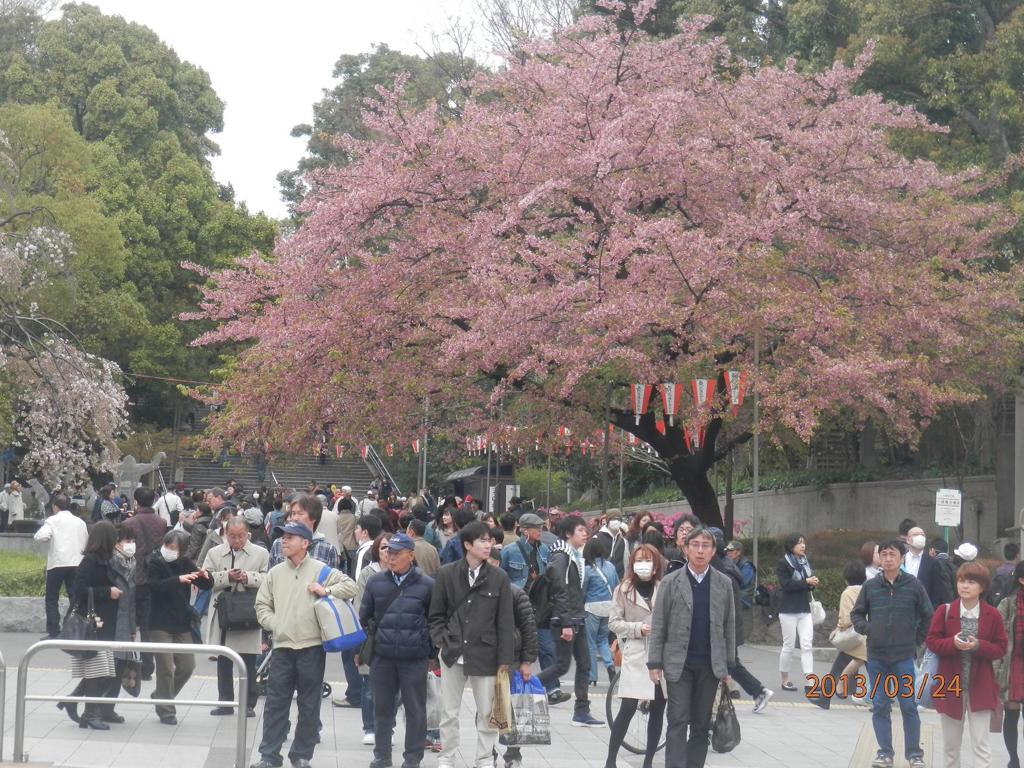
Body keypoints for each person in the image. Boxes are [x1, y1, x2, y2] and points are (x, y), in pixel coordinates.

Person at [251, 519, 357, 768]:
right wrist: (276, 624)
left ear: (305, 543)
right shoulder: (275, 572)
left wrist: (326, 591)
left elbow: (350, 586)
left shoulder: (321, 569)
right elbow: (261, 605)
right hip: (283, 648)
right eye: (283, 537)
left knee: (309, 705)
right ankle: (269, 756)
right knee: (276, 703)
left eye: (290, 537)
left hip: (312, 648)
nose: (283, 541)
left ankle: (301, 755)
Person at [429, 521, 516, 768]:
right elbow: (436, 614)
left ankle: (484, 758)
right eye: (482, 540)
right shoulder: (446, 573)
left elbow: (505, 622)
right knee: (448, 711)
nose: (488, 545)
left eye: (490, 540)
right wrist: (440, 641)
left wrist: (505, 660)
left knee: (488, 712)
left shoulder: (499, 577)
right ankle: (446, 756)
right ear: (467, 544)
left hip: (486, 653)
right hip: (452, 651)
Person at [647, 526, 736, 768]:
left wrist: (729, 664)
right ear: (685, 549)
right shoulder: (670, 582)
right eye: (694, 545)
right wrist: (654, 662)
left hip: (709, 664)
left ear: (713, 550)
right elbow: (659, 624)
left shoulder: (723, 583)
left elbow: (729, 626)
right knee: (677, 719)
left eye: (705, 546)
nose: (700, 551)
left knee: (701, 722)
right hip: (678, 664)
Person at [851, 539, 933, 768]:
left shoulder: (914, 585)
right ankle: (885, 753)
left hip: (904, 657)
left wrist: (916, 640)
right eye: (884, 554)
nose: (888, 558)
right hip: (877, 657)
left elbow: (928, 615)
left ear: (902, 557)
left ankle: (914, 754)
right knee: (880, 705)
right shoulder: (871, 586)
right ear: (879, 557)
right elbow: (856, 615)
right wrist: (868, 629)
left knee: (908, 705)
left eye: (892, 554)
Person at [361, 532, 435, 768]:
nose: (390, 557)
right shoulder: (376, 582)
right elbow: (365, 617)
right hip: (382, 657)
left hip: (414, 658)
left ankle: (412, 758)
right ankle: (381, 755)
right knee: (382, 709)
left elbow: (435, 621)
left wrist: (429, 652)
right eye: (388, 552)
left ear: (411, 556)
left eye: (397, 553)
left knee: (415, 710)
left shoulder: (427, 585)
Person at [926, 561, 1007, 768]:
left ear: (982, 587)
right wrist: (952, 643)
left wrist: (978, 645)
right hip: (950, 686)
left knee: (981, 744)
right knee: (951, 747)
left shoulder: (993, 615)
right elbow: (932, 642)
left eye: (971, 581)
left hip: (980, 686)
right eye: (961, 580)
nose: (964, 586)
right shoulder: (944, 611)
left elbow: (1000, 648)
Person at [537, 515, 605, 726]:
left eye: (586, 530)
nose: (585, 533)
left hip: (578, 617)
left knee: (584, 664)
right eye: (580, 530)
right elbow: (559, 589)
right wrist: (565, 622)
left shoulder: (574, 555)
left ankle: (582, 711)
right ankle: (521, 686)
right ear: (568, 534)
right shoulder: (561, 556)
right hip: (565, 619)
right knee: (561, 666)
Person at [605, 543, 666, 768]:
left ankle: (648, 761)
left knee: (659, 707)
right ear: (632, 563)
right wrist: (637, 628)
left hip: (660, 653)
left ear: (656, 564)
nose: (643, 564)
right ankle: (610, 760)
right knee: (628, 707)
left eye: (648, 560)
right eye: (638, 560)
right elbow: (614, 622)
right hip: (636, 651)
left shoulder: (664, 587)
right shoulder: (623, 589)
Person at [203, 517, 269, 718]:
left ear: (247, 534)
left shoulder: (260, 553)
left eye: (241, 536)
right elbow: (204, 579)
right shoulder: (215, 553)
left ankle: (248, 703)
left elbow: (268, 579)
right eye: (232, 536)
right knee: (224, 659)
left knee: (249, 660)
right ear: (226, 534)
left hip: (248, 610)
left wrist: (248, 577)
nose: (237, 540)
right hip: (224, 611)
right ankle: (225, 702)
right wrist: (226, 577)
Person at [147, 529, 212, 725]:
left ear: (182, 550)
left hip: (181, 622)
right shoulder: (155, 562)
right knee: (165, 667)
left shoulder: (184, 563)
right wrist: (178, 580)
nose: (168, 550)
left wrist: (205, 576)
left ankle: (161, 695)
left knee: (187, 666)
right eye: (167, 546)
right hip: (159, 622)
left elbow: (205, 585)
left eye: (173, 547)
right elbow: (153, 586)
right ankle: (166, 710)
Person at [67, 521, 123, 730]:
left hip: (105, 622)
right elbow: (79, 590)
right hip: (93, 624)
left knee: (104, 670)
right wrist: (107, 592)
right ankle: (90, 713)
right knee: (97, 670)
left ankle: (74, 703)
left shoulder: (108, 560)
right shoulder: (90, 561)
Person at [122, 486, 169, 681]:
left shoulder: (129, 523)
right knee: (148, 626)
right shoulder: (162, 522)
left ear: (136, 501)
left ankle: (129, 664)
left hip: (133, 578)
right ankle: (148, 667)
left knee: (129, 623)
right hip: (154, 578)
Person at [34, 492, 88, 638]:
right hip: (77, 563)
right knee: (75, 597)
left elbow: (40, 536)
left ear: (55, 507)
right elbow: (86, 541)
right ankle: (74, 629)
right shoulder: (80, 522)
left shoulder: (52, 520)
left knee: (52, 598)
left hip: (57, 563)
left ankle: (54, 631)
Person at [816, 562, 869, 710]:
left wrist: (838, 628)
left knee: (838, 667)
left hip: (854, 638)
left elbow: (846, 619)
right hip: (869, 635)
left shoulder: (847, 593)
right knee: (876, 670)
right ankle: (882, 701)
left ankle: (824, 698)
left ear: (846, 579)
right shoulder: (867, 589)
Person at [776, 533, 819, 693]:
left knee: (807, 645)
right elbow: (786, 585)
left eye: (804, 542)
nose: (803, 545)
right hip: (788, 609)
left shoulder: (805, 561)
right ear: (791, 545)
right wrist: (806, 582)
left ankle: (810, 681)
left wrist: (812, 583)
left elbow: (807, 584)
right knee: (788, 646)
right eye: (799, 543)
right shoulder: (783, 563)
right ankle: (785, 679)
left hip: (804, 609)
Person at [996, 561, 1024, 768]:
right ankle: (1013, 759)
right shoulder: (1007, 603)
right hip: (1013, 664)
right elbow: (997, 638)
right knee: (1012, 714)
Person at [583, 536, 619, 686]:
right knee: (603, 640)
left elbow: (583, 590)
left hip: (592, 608)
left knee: (590, 642)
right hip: (609, 607)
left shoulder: (587, 569)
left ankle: (592, 677)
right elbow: (617, 585)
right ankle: (610, 666)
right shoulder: (610, 566)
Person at [904, 525, 951, 607]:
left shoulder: (933, 562)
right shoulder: (900, 559)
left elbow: (936, 590)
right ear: (908, 540)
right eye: (915, 535)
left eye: (922, 535)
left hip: (923, 609)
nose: (920, 537)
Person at [595, 509, 628, 579]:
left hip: (620, 579)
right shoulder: (596, 539)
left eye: (618, 519)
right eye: (612, 519)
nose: (616, 521)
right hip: (603, 580)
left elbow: (626, 562)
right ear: (607, 521)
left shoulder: (623, 541)